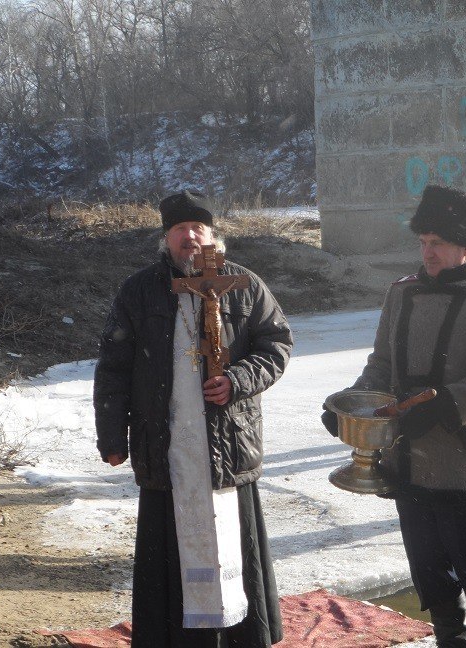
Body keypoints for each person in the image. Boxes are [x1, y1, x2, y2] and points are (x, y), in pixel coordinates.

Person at [323, 184, 466, 648]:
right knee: (429, 570)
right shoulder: (401, 293)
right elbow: (379, 366)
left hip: (464, 463)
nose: (426, 252)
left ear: (465, 245)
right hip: (406, 461)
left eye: (436, 243)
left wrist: (443, 406)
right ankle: (452, 641)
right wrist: (350, 407)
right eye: (422, 242)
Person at [93, 190, 293, 647]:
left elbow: (277, 344)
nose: (190, 237)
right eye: (180, 230)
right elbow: (114, 367)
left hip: (226, 442)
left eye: (197, 228)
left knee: (233, 545)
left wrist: (238, 380)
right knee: (169, 547)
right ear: (166, 238)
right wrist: (112, 436)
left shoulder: (242, 283)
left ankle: (242, 636)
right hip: (166, 443)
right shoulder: (140, 290)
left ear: (212, 234)